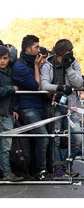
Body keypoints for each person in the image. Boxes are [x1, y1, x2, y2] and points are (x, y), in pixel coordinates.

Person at [40, 39, 83, 177]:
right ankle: (58, 170)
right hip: (55, 106)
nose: (70, 54)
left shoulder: (74, 63)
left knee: (77, 139)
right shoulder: (48, 65)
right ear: (61, 52)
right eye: (68, 52)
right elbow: (44, 85)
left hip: (72, 107)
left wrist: (69, 68)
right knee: (57, 140)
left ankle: (67, 166)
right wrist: (59, 88)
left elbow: (79, 83)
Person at [11, 35, 49, 180]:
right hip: (27, 107)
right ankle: (41, 170)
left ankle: (35, 169)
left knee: (38, 139)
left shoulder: (33, 62)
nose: (39, 50)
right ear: (28, 49)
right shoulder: (20, 66)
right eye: (36, 47)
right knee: (42, 136)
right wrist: (35, 67)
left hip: (39, 106)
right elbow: (36, 86)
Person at [0, 45, 24, 182]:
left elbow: (9, 95)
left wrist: (14, 108)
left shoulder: (8, 70)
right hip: (1, 112)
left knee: (1, 145)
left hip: (7, 110)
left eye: (5, 58)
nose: (2, 61)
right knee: (4, 146)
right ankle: (6, 173)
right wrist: (12, 88)